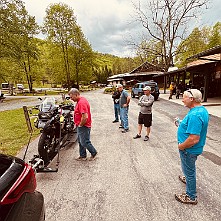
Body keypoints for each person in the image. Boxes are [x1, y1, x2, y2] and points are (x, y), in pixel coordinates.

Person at [174, 89, 209, 205]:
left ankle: (191, 196)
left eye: (184, 97)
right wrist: (180, 124)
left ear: (191, 99)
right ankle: (188, 179)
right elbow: (191, 127)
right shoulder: (200, 110)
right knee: (188, 169)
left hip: (189, 150)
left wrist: (181, 146)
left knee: (189, 171)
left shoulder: (195, 114)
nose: (182, 99)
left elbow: (194, 139)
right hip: (192, 149)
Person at [68, 88, 98, 161]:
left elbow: (85, 117)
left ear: (76, 94)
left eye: (71, 97)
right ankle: (83, 155)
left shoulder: (81, 102)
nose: (71, 99)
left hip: (84, 125)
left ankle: (94, 153)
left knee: (84, 141)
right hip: (80, 125)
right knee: (80, 141)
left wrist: (81, 125)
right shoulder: (80, 101)